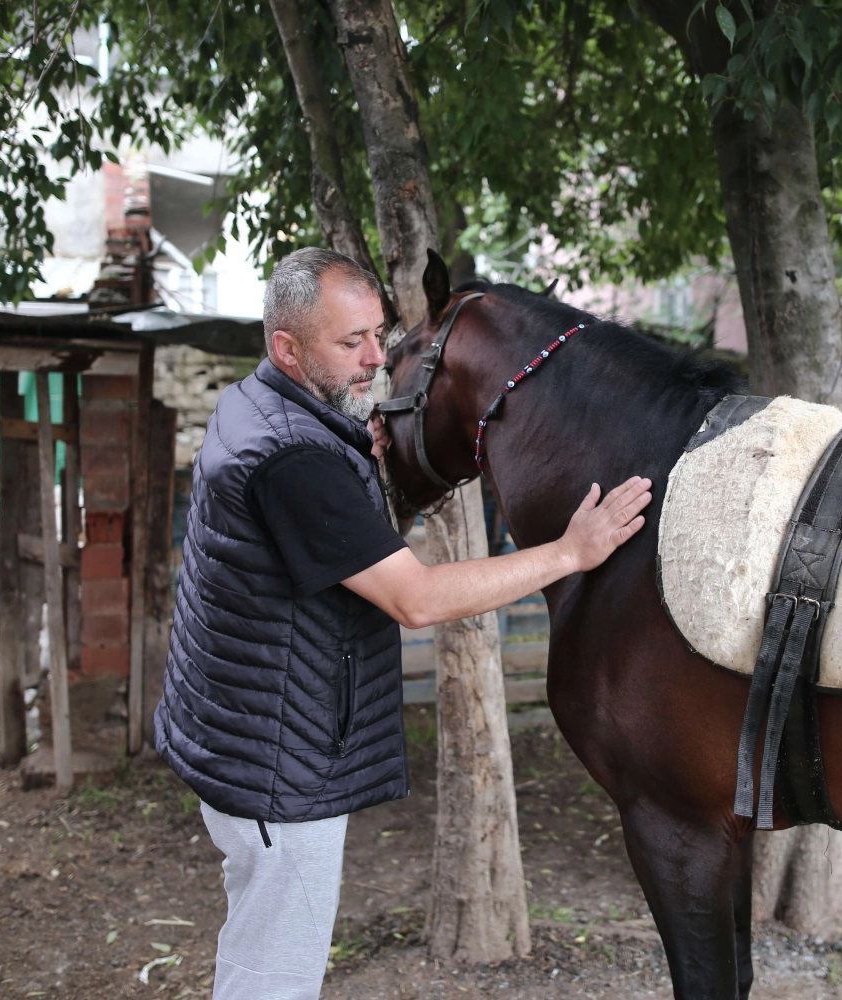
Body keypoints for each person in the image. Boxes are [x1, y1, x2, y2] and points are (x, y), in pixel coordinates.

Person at [153, 247, 651, 1000]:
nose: (375, 359)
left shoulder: (257, 406)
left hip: (239, 734)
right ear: (286, 347)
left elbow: (315, 532)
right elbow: (415, 598)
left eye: (377, 334)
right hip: (276, 769)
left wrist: (358, 454)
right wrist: (569, 552)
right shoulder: (292, 457)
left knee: (258, 943)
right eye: (349, 343)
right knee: (273, 977)